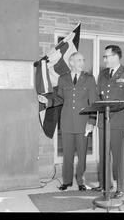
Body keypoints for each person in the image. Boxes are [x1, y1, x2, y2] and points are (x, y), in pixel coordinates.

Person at [38, 52, 97, 191]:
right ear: (71, 62)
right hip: (66, 121)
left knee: (82, 153)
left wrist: (92, 121)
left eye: (83, 60)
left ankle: (81, 181)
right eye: (79, 60)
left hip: (83, 122)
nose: (82, 62)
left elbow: (93, 102)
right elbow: (59, 99)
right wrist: (47, 101)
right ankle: (67, 181)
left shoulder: (89, 79)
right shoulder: (63, 79)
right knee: (67, 153)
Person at [92, 45, 124, 199]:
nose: (104, 59)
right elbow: (99, 97)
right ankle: (105, 184)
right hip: (104, 121)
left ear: (116, 57)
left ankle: (120, 188)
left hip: (120, 121)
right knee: (104, 154)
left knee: (118, 157)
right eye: (104, 57)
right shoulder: (102, 74)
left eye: (107, 56)